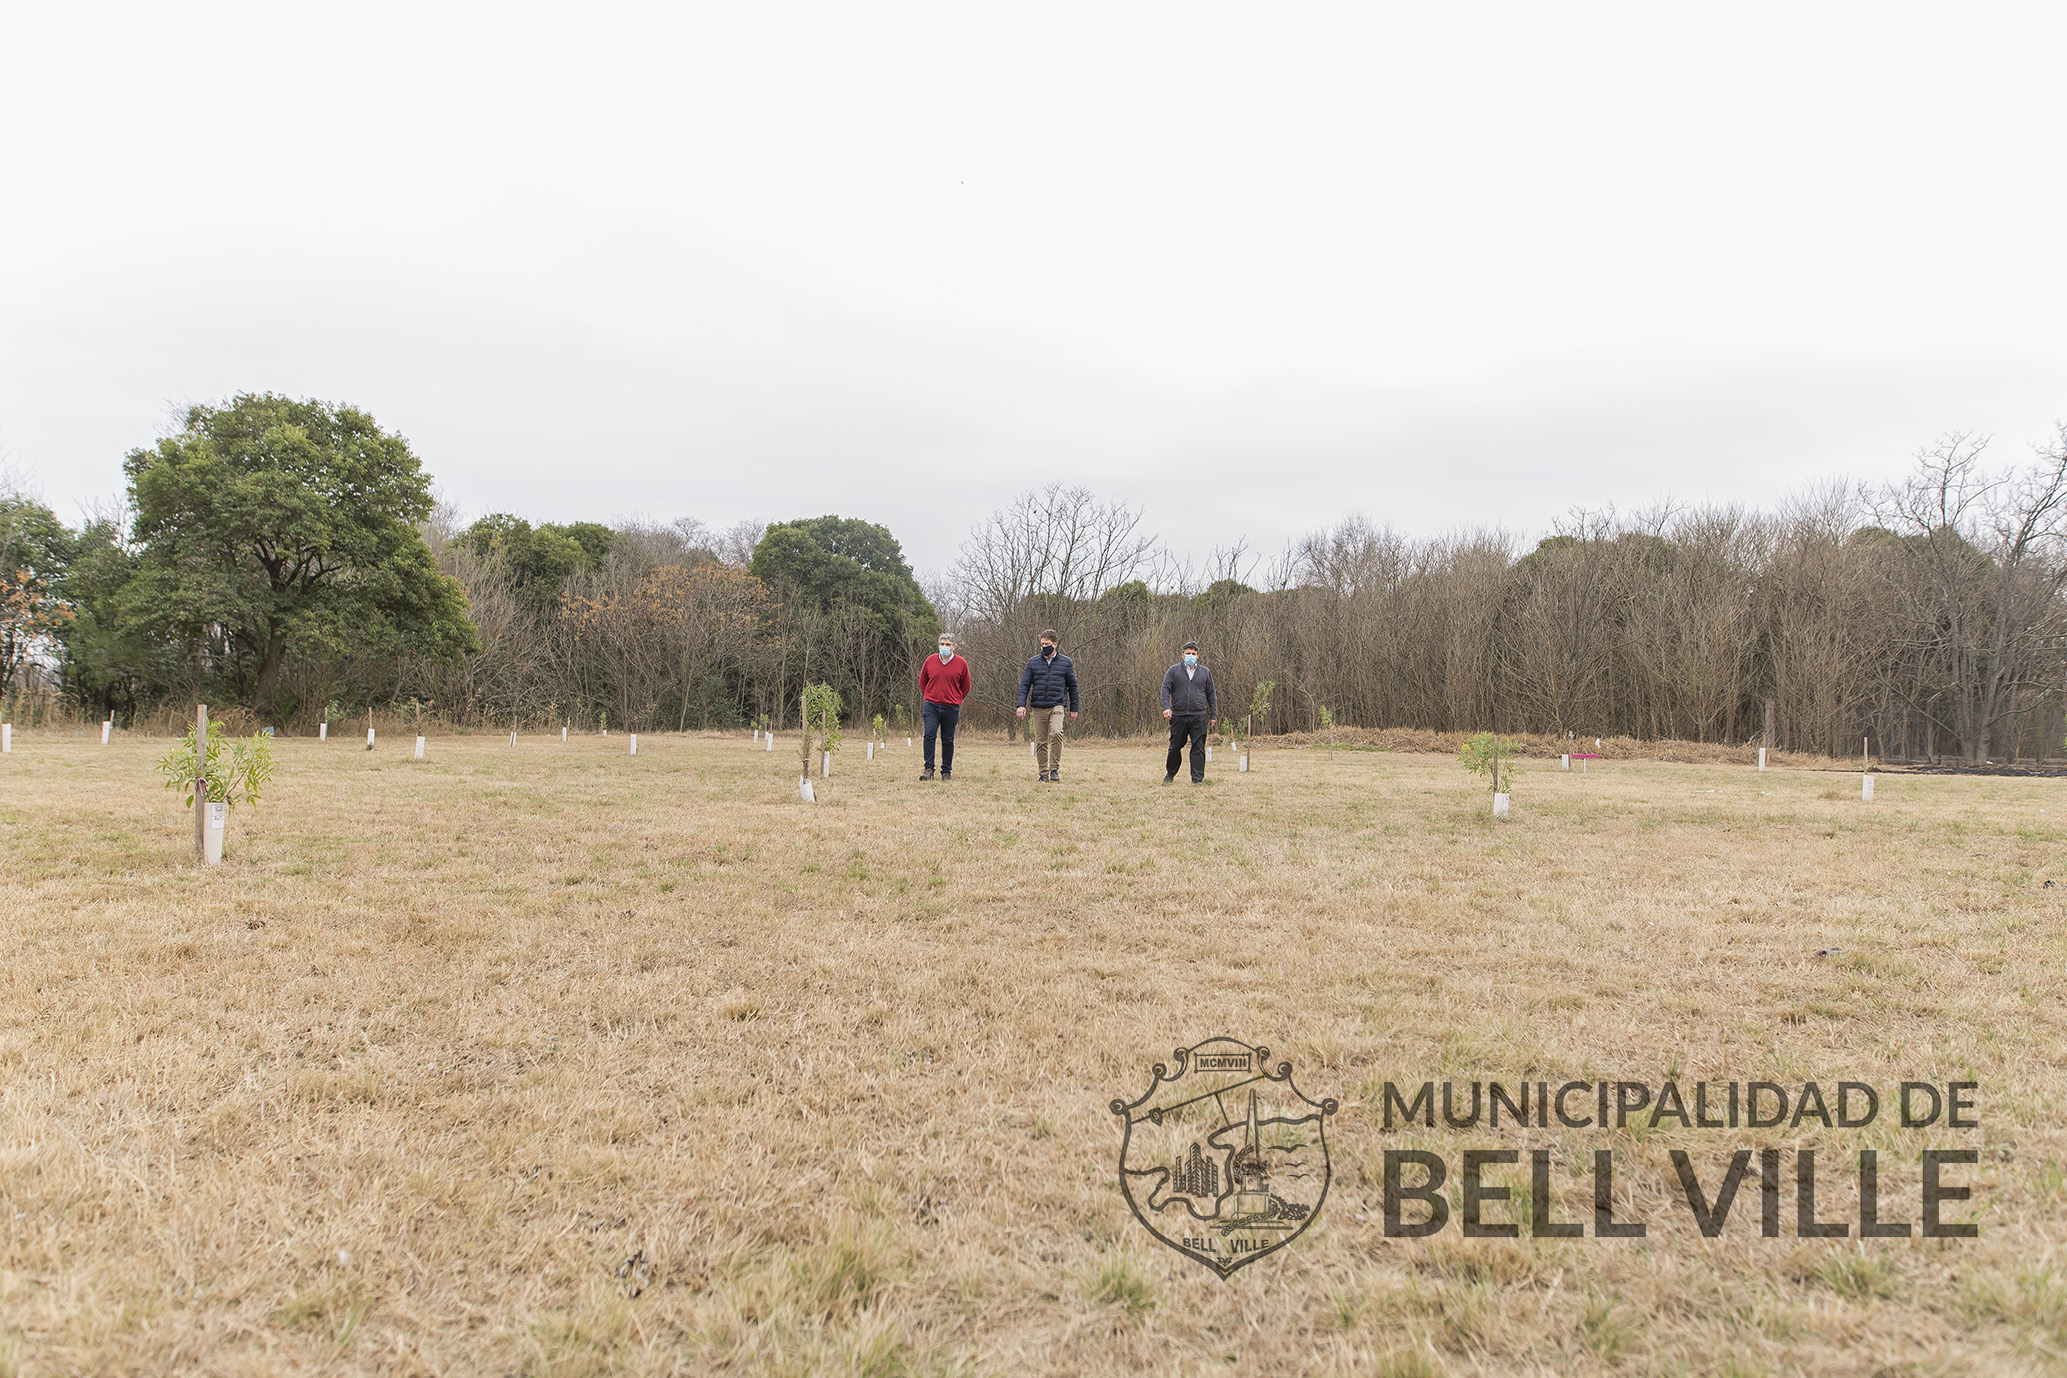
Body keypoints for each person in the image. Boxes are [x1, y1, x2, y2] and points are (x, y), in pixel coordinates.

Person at [1016, 628, 1079, 783]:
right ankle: (1043, 773)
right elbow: (1024, 685)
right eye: (1042, 644)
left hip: (1057, 704)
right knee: (1041, 741)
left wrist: (1074, 709)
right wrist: (1021, 705)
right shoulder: (1033, 662)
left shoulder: (1066, 662)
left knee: (1056, 733)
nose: (1044, 647)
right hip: (1038, 706)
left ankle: (1054, 768)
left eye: (1047, 644)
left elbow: (1073, 687)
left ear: (1055, 644)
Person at [1160, 640, 1217, 784]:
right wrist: (1166, 707)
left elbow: (1211, 694)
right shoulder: (1173, 671)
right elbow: (1165, 689)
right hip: (1178, 715)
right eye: (1188, 653)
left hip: (1199, 716)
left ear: (1198, 656)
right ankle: (1170, 774)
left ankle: (1197, 779)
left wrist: (1213, 715)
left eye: (1193, 653)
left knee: (1198, 748)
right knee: (1175, 747)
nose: (1191, 656)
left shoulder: (1205, 672)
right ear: (1182, 655)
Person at [918, 633, 970, 780]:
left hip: (951, 706)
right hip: (932, 705)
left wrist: (957, 699)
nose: (944, 647)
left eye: (948, 644)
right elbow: (922, 681)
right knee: (929, 735)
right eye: (942, 644)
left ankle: (946, 771)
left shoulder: (961, 663)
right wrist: (930, 695)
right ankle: (928, 769)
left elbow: (966, 686)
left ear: (954, 647)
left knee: (947, 739)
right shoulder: (930, 661)